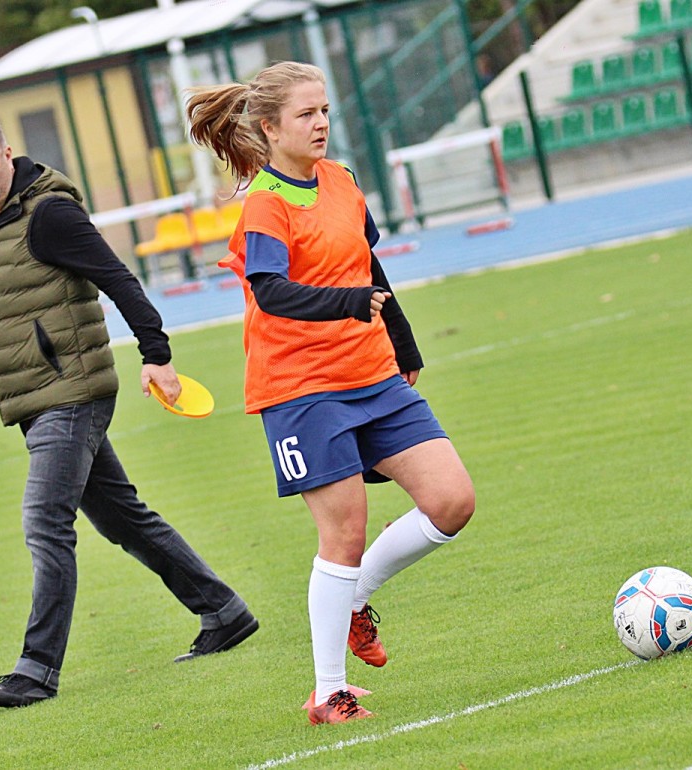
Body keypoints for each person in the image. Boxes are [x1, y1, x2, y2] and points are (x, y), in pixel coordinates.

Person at [0, 109, 257, 709]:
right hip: (37, 400)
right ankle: (223, 610)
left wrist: (157, 354)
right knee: (121, 518)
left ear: (7, 154)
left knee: (45, 521)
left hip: (73, 393)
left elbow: (118, 278)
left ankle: (36, 670)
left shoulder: (49, 214)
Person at [185, 63, 475, 725]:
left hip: (372, 373)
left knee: (452, 501)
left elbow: (370, 267)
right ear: (269, 127)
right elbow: (270, 291)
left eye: (324, 111)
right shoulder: (266, 202)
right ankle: (329, 694)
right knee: (343, 534)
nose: (320, 124)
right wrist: (348, 304)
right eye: (306, 114)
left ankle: (354, 600)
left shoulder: (340, 179)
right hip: (300, 389)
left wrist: (402, 341)